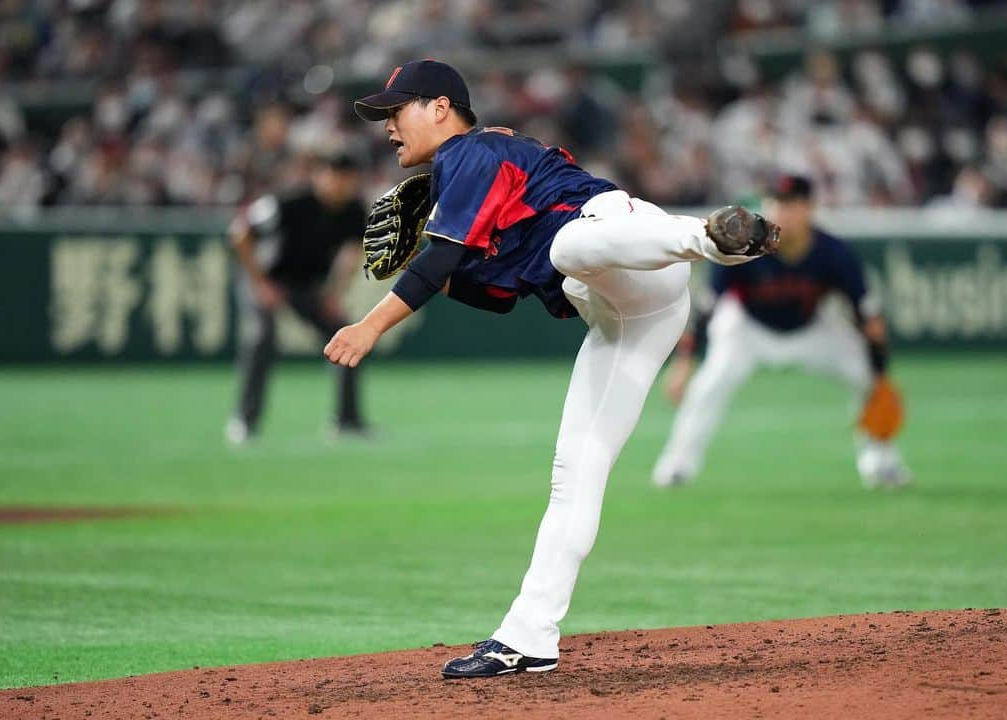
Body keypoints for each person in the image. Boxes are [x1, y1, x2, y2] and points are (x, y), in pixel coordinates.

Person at [323, 59, 779, 678]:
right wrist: (441, 256)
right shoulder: (468, 188)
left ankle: (712, 238)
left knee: (568, 247)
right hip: (634, 314)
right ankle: (529, 637)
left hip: (628, 241)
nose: (387, 127)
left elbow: (440, 262)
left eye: (395, 110)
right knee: (575, 471)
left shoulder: (472, 152)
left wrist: (369, 324)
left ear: (439, 107)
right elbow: (486, 285)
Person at [652, 174, 912, 490]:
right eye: (775, 204)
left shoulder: (833, 252)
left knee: (866, 377)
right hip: (747, 329)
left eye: (790, 205)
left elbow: (869, 319)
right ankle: (677, 467)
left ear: (809, 209)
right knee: (709, 385)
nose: (781, 213)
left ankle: (881, 464)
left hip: (811, 329)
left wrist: (881, 374)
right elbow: (707, 308)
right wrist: (684, 363)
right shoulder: (744, 244)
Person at [226, 148, 368, 445]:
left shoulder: (354, 210)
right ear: (321, 175)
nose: (341, 184)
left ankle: (347, 421)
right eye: (336, 176)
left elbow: (352, 255)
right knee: (262, 337)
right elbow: (239, 233)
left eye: (348, 179)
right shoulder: (290, 202)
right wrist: (260, 283)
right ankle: (244, 420)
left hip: (306, 286)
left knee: (348, 337)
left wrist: (334, 295)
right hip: (266, 279)